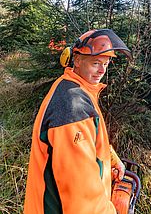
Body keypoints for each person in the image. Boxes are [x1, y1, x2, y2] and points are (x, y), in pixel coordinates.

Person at [24, 28, 132, 214]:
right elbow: (82, 195)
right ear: (77, 60)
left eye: (105, 64)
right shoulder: (71, 105)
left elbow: (88, 139)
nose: (101, 70)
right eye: (96, 63)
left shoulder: (77, 89)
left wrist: (111, 160)